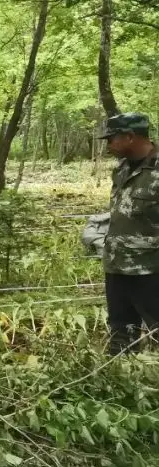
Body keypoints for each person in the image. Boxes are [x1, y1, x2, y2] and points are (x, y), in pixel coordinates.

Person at [98, 112, 159, 355]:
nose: (108, 145)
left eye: (112, 139)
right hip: (117, 265)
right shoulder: (122, 169)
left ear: (130, 136)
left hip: (151, 270)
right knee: (121, 332)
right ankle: (122, 380)